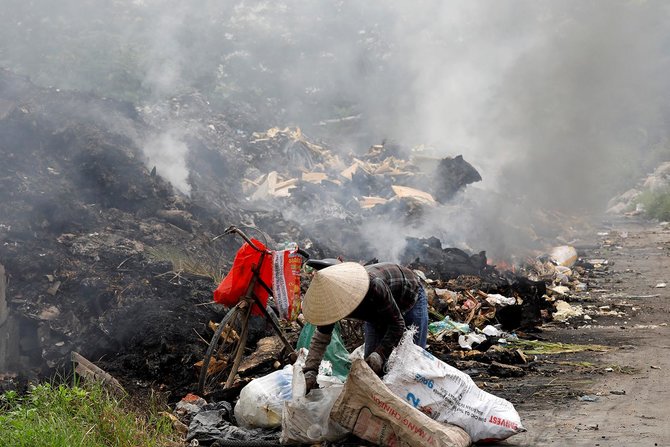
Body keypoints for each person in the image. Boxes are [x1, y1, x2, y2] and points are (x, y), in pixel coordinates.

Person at [301, 261, 428, 393]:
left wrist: (379, 355)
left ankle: (414, 403)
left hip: (409, 296)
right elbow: (322, 336)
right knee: (370, 372)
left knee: (411, 362)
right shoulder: (332, 300)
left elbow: (396, 324)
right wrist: (310, 370)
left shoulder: (373, 286)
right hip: (377, 312)